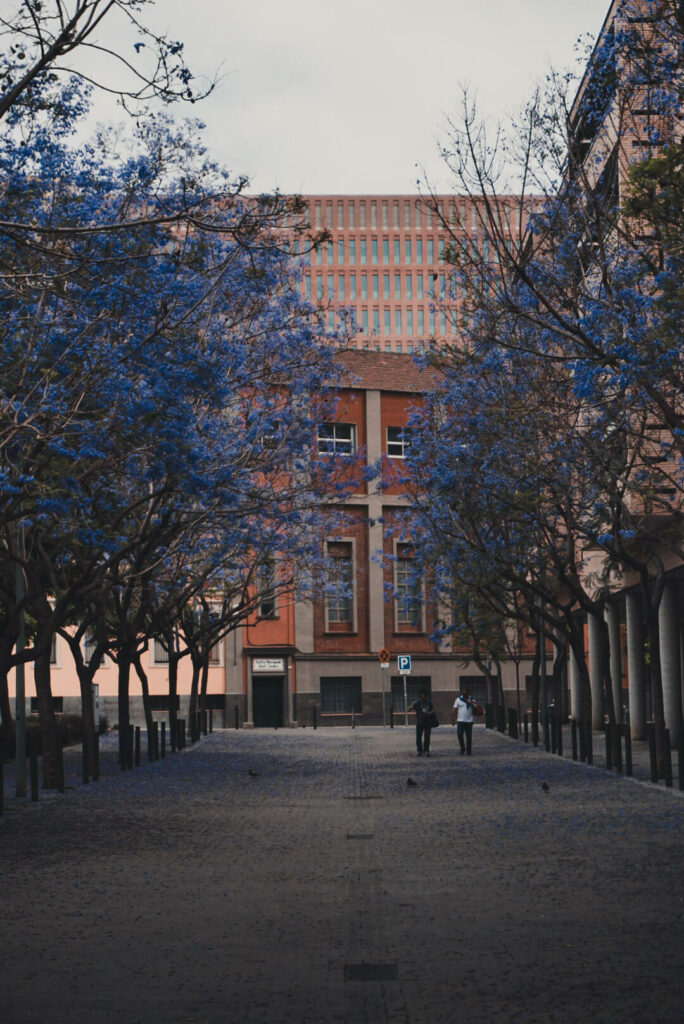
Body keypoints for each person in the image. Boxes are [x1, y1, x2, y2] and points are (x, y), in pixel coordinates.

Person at [411, 689, 434, 756]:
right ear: (420, 696)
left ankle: (426, 750)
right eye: (422, 696)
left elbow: (433, 710)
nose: (423, 697)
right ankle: (419, 750)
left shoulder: (428, 702)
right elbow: (411, 707)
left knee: (427, 737)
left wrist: (429, 713)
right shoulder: (417, 702)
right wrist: (410, 708)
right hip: (419, 722)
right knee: (418, 737)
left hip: (427, 722)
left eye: (424, 696)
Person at [452, 686, 475, 755]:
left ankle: (469, 750)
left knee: (469, 737)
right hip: (460, 721)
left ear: (468, 693)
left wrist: (471, 704)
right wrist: (453, 720)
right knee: (459, 734)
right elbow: (454, 709)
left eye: (466, 693)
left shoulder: (472, 699)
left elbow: (476, 708)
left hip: (469, 721)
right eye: (463, 693)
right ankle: (462, 748)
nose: (465, 695)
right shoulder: (458, 699)